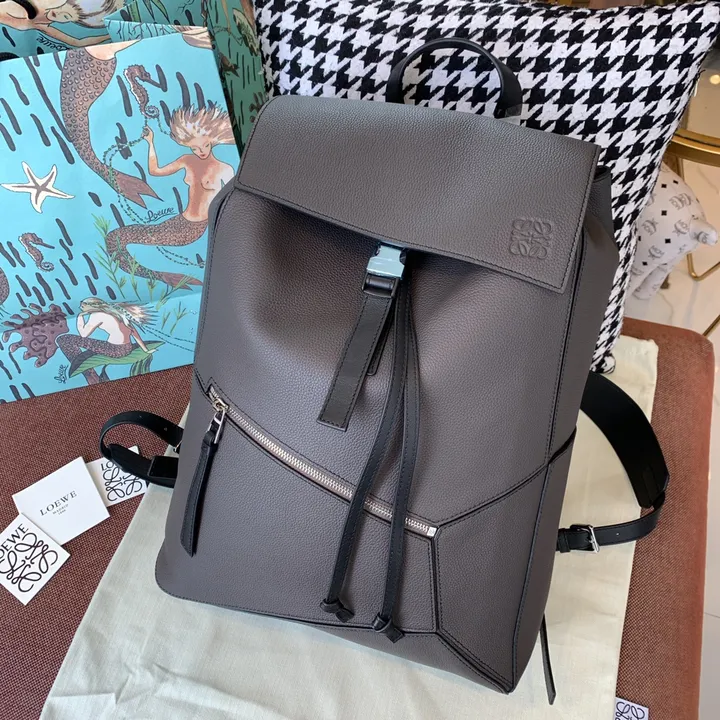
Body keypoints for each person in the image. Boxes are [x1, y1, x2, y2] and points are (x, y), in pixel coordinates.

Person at [106, 102, 236, 288]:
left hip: (192, 230)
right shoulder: (187, 160)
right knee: (118, 237)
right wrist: (150, 143)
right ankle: (154, 276)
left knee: (122, 237)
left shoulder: (225, 169)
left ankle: (161, 277)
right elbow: (155, 171)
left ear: (213, 141)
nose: (200, 152)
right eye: (194, 148)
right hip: (179, 222)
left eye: (205, 145)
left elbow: (231, 205)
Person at [0, 0, 118, 47]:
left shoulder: (43, 24)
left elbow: (77, 42)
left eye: (66, 16)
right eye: (61, 7)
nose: (58, 13)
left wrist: (108, 35)